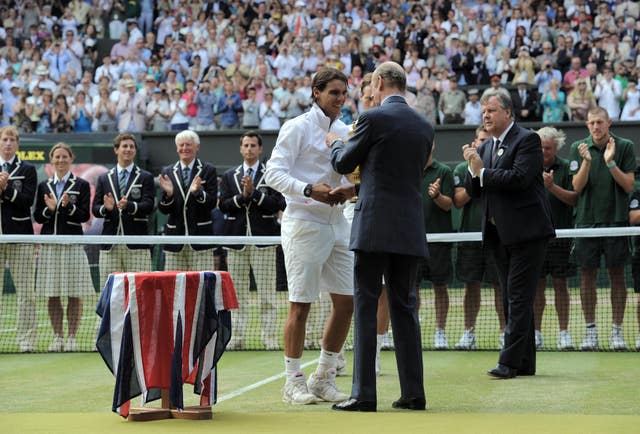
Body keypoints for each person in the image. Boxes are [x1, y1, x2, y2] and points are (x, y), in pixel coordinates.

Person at [328, 61, 431, 411]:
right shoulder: (423, 125)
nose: (369, 89)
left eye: (372, 83)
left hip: (374, 224)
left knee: (366, 303)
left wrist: (335, 143)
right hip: (409, 227)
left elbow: (344, 163)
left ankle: (363, 394)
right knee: (404, 307)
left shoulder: (372, 118)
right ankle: (414, 393)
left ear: (381, 82)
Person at [264, 67, 355, 405]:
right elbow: (272, 172)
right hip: (303, 222)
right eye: (334, 92)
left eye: (344, 93)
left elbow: (351, 173)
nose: (340, 99)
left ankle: (323, 377)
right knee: (300, 306)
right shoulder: (297, 127)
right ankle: (293, 381)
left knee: (347, 302)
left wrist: (349, 190)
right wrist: (308, 190)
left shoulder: (346, 131)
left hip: (337, 223)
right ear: (316, 93)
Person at [463, 87, 554, 379]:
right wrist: (472, 167)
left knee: (517, 296)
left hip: (527, 233)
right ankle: (524, 362)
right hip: (497, 235)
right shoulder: (487, 146)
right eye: (483, 111)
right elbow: (475, 190)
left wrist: (482, 171)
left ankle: (509, 362)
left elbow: (520, 178)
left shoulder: (527, 139)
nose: (485, 115)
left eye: (491, 110)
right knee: (511, 299)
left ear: (507, 112)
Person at [569, 107, 636, 350]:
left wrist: (610, 162)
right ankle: (591, 332)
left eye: (599, 122)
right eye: (591, 123)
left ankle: (617, 332)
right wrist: (586, 162)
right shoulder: (579, 147)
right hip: (587, 222)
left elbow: (629, 185)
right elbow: (576, 187)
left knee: (618, 277)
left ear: (608, 123)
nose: (595, 127)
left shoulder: (625, 146)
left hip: (617, 221)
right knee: (587, 277)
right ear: (587, 125)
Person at [219, 131, 286, 350]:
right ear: (240, 149)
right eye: (245, 145)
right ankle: (237, 338)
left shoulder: (271, 174)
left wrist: (255, 195)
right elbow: (223, 205)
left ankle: (270, 339)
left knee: (267, 293)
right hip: (236, 240)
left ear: (260, 149)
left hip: (263, 239)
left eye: (253, 145)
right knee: (237, 295)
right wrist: (242, 197)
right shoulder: (230, 175)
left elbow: (278, 203)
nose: (249, 149)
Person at [34, 143, 93, 352]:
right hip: (50, 244)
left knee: (74, 293)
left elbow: (84, 215)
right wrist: (50, 210)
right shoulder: (43, 186)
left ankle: (72, 338)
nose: (60, 160)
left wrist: (68, 207)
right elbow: (37, 216)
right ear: (52, 160)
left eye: (64, 157)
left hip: (73, 244)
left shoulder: (82, 185)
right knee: (52, 293)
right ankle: (58, 337)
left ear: (70, 159)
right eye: (56, 157)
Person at [453, 125, 506, 350]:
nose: (483, 144)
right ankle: (468, 333)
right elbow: (458, 200)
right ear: (475, 142)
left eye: (488, 140)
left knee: (500, 286)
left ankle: (506, 333)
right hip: (471, 235)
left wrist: (486, 172)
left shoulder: (501, 163)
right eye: (481, 140)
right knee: (471, 286)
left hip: (496, 233)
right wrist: (476, 172)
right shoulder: (461, 168)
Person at [534, 127, 578, 350]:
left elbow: (573, 199)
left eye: (548, 148)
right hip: (534, 237)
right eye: (540, 147)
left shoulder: (566, 168)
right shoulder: (528, 165)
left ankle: (564, 333)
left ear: (556, 148)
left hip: (561, 236)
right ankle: (536, 334)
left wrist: (552, 187)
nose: (543, 151)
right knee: (537, 287)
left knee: (561, 285)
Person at [92, 133, 155, 287]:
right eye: (124, 146)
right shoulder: (104, 178)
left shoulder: (145, 177)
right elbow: (95, 208)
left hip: (137, 242)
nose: (128, 149)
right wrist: (106, 209)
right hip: (110, 243)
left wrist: (130, 206)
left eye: (131, 147)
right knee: (110, 290)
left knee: (140, 289)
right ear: (116, 150)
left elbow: (149, 206)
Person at [158, 130, 218, 272]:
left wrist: (198, 192)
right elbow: (163, 209)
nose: (185, 148)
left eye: (189, 144)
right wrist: (169, 195)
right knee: (174, 285)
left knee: (202, 283)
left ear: (197, 147)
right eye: (181, 145)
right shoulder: (167, 171)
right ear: (177, 148)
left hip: (200, 239)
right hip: (174, 239)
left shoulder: (208, 170)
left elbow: (212, 203)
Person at [0, 125, 37, 352]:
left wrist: (5, 189)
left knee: (26, 293)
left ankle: (27, 342)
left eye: (12, 139)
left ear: (17, 143)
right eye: (4, 139)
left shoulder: (28, 169)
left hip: (20, 236)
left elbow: (26, 201)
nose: (8, 143)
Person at [420, 143, 454, 350]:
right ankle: (410, 330)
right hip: (412, 240)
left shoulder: (444, 171)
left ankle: (440, 332)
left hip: (438, 241)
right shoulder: (405, 169)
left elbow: (449, 204)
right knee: (410, 290)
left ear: (432, 145)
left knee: (440, 288)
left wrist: (436, 196)